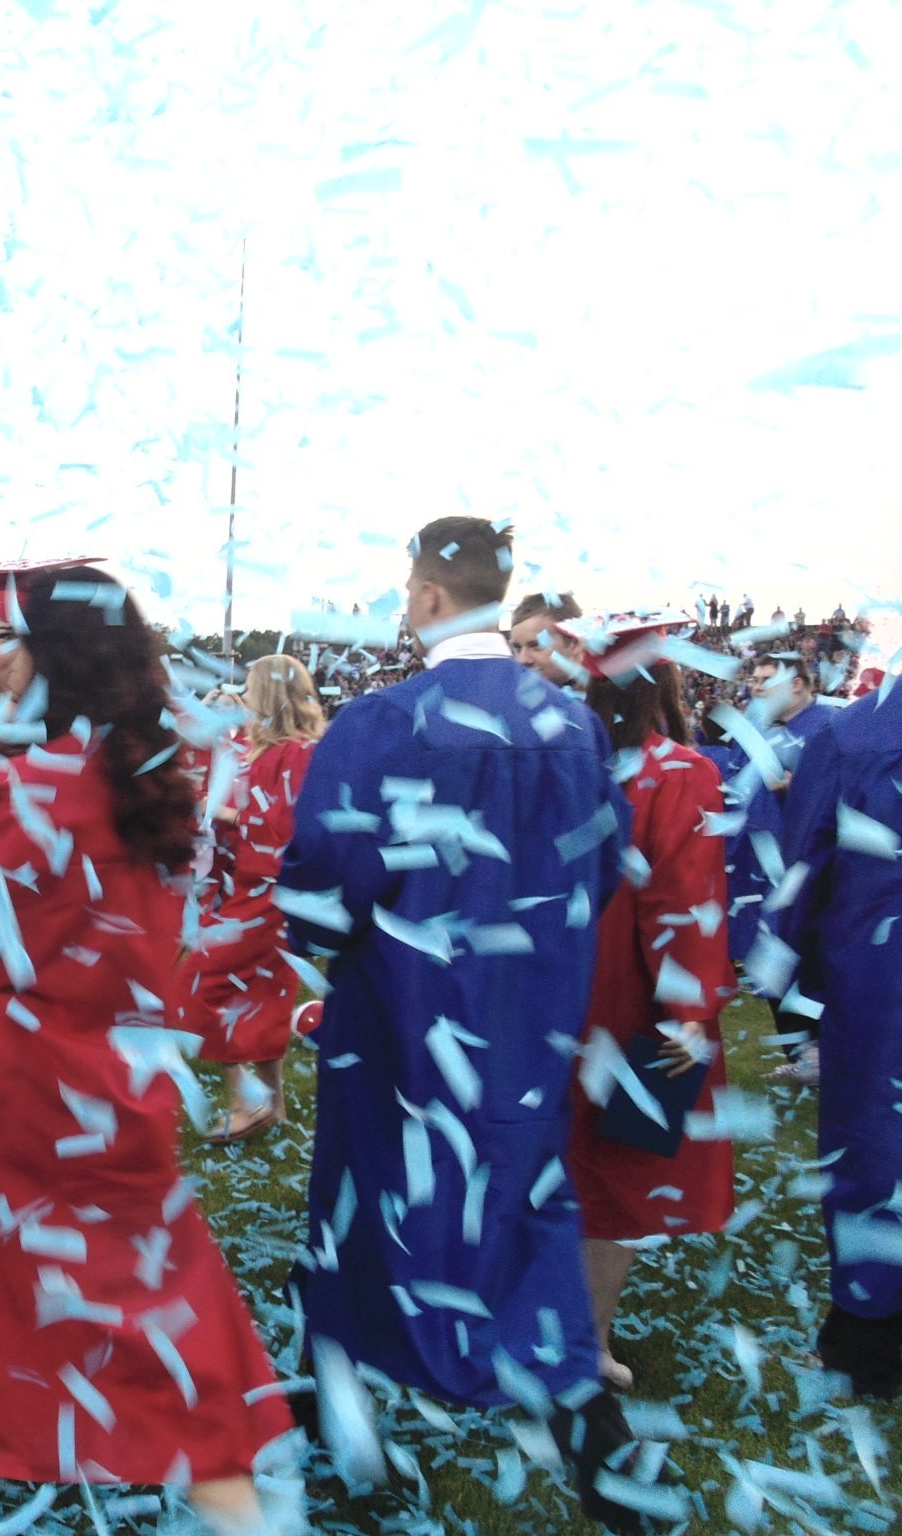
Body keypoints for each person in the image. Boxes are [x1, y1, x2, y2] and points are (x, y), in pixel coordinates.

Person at [0, 561, 291, 1536]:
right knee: (169, 1348)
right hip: (105, 1098)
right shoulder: (142, 776)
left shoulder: (44, 787)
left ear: (54, 652)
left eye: (8, 635)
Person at [278, 518, 651, 1532]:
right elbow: (600, 867)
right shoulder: (570, 728)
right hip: (527, 1016)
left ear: (434, 594)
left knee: (365, 1206)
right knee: (521, 1204)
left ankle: (350, 1438)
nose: (402, 604)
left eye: (407, 588)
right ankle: (593, 1442)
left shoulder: (381, 724)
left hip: (398, 1017)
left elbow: (321, 884)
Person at [557, 613, 736, 1394]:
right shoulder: (680, 772)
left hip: (542, 989)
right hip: (631, 995)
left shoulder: (555, 760)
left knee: (549, 1157)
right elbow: (682, 898)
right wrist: (690, 1009)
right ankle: (585, 1341)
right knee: (620, 1172)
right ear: (663, 679)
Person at [767, 677, 902, 1395]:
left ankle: (869, 1340)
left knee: (877, 1147)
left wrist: (797, 973)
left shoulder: (858, 733)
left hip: (881, 976)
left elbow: (804, 865)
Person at [183, 653, 324, 1143]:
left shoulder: (298, 754)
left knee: (202, 982)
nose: (243, 696)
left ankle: (249, 1104)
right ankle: (274, 1106)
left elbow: (282, 829)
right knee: (261, 995)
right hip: (251, 888)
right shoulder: (269, 750)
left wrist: (213, 809)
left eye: (249, 688)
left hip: (270, 894)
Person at [719, 654, 835, 1081]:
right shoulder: (750, 733)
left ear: (801, 684)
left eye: (769, 680)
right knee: (764, 964)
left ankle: (826, 1054)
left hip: (806, 870)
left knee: (811, 961)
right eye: (756, 679)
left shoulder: (830, 727)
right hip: (752, 870)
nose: (758, 688)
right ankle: (801, 1056)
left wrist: (797, 788)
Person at [509, 590, 586, 685]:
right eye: (517, 648)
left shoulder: (603, 696)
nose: (522, 660)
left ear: (574, 644)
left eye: (537, 646)